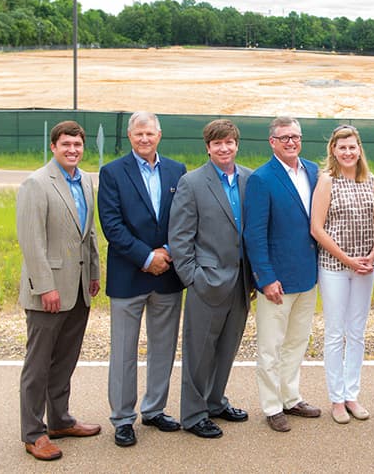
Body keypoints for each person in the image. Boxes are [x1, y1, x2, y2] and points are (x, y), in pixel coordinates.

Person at [98, 111, 187, 447]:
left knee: (163, 348)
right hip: (128, 275)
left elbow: (183, 218)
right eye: (138, 134)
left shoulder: (177, 171)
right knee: (124, 352)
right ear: (130, 136)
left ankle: (154, 409)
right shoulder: (112, 172)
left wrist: (166, 252)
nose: (144, 139)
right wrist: (147, 257)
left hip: (167, 274)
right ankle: (122, 418)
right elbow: (112, 225)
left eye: (149, 134)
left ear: (159, 135)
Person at [16, 120, 101, 461]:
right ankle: (33, 433)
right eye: (66, 144)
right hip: (48, 293)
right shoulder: (36, 183)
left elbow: (88, 233)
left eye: (77, 145)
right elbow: (31, 240)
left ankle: (61, 420)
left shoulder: (85, 181)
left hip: (79, 288)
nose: (72, 150)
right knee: (38, 366)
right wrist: (45, 287)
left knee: (64, 361)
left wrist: (94, 272)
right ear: (53, 146)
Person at [168, 119, 253, 439]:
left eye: (229, 142)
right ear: (208, 147)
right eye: (217, 143)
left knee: (227, 348)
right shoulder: (192, 182)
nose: (224, 148)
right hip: (207, 281)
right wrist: (193, 277)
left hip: (241, 282)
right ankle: (193, 414)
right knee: (199, 352)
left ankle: (216, 402)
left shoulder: (248, 178)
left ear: (236, 144)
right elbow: (179, 238)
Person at [244, 116, 322, 432]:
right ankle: (272, 405)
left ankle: (291, 397)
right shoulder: (262, 179)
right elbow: (254, 233)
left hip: (308, 275)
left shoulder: (314, 172)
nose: (291, 142)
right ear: (272, 142)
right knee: (270, 346)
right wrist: (265, 277)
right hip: (276, 280)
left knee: (297, 341)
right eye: (284, 137)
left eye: (295, 136)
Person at [310, 125, 374, 425]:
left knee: (357, 331)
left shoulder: (372, 181)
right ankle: (336, 399)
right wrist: (347, 259)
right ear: (333, 151)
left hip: (365, 267)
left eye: (352, 147)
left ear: (359, 149)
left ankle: (352, 394)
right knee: (335, 333)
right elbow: (317, 228)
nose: (348, 152)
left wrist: (372, 257)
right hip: (335, 267)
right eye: (342, 148)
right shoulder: (327, 181)